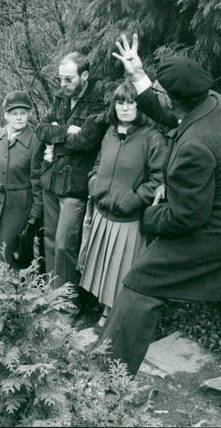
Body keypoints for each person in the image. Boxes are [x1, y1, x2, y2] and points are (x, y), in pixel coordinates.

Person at [99, 34, 221, 421]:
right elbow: (171, 113)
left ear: (177, 99)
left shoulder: (195, 146)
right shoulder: (216, 104)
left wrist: (148, 215)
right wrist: (141, 75)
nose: (158, 96)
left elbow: (186, 218)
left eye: (161, 91)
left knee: (140, 283)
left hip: (220, 232)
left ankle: (103, 385)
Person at [79, 81, 166, 327]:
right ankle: (104, 313)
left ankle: (114, 319)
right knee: (103, 268)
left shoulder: (152, 138)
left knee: (120, 271)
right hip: (102, 212)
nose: (125, 108)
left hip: (128, 219)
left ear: (141, 107)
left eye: (131, 103)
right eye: (120, 102)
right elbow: (97, 164)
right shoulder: (109, 133)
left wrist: (132, 200)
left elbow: (157, 181)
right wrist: (94, 185)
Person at [35, 52, 107, 318]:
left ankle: (69, 305)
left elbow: (87, 141)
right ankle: (54, 297)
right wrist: (67, 132)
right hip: (52, 180)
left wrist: (58, 135)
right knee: (51, 242)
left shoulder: (97, 104)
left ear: (84, 76)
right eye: (60, 79)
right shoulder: (60, 98)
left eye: (68, 79)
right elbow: (41, 129)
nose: (62, 84)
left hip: (75, 187)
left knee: (66, 245)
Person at [0, 91, 41, 271]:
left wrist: (35, 213)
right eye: (14, 113)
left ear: (29, 114)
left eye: (23, 113)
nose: (19, 118)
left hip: (19, 206)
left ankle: (7, 290)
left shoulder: (36, 142)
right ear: (5, 115)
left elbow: (37, 181)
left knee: (9, 252)